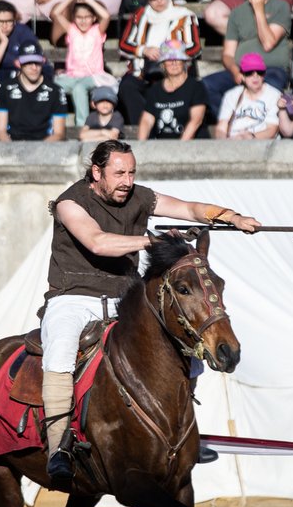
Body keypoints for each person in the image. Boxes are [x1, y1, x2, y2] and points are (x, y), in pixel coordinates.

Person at [40, 139, 262, 480]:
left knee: (184, 349)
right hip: (73, 299)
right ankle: (58, 448)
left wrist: (231, 216)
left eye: (131, 172)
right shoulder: (70, 203)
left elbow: (189, 209)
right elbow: (98, 242)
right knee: (60, 353)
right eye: (119, 173)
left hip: (123, 300)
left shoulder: (139, 196)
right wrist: (151, 240)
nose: (127, 181)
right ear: (96, 172)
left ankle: (183, 435)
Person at [203, 0, 292, 123]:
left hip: (270, 70)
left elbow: (268, 43)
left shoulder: (281, 7)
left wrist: (259, 8)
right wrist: (235, 71)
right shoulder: (237, 14)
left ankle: (258, 127)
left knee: (268, 88)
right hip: (243, 71)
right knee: (206, 85)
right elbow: (228, 54)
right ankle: (233, 125)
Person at [117, 0, 201, 125]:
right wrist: (143, 50)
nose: (159, 0)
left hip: (174, 69)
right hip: (143, 70)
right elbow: (124, 44)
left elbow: (194, 47)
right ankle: (142, 127)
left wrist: (169, 53)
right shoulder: (140, 15)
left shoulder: (184, 16)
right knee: (127, 86)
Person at [0, 0, 46, 124]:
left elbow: (34, 62)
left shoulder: (23, 32)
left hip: (21, 82)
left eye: (9, 21)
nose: (5, 26)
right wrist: (3, 42)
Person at [50, 0, 113, 128]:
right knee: (50, 86)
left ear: (94, 18)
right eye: (79, 17)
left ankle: (82, 127)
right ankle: (48, 125)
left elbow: (106, 16)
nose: (83, 21)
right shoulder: (72, 30)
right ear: (74, 18)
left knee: (79, 88)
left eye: (87, 17)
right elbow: (56, 13)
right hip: (72, 76)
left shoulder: (97, 31)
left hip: (92, 76)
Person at [137, 39, 208, 140]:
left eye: (178, 58)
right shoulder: (154, 90)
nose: (174, 62)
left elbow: (196, 120)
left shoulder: (196, 86)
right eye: (169, 59)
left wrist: (179, 149)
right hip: (161, 148)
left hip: (192, 148)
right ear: (163, 64)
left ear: (184, 62)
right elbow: (146, 121)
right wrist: (141, 146)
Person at [0, 49, 67, 141]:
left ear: (43, 62)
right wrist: (12, 150)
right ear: (18, 64)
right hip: (13, 145)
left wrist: (38, 151)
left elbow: (59, 133)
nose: (34, 67)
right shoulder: (4, 88)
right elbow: (1, 131)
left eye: (37, 63)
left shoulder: (56, 91)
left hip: (45, 147)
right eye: (28, 63)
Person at [215, 52, 281, 139]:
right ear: (242, 75)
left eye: (259, 72)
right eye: (249, 73)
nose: (255, 76)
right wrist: (225, 143)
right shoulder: (231, 95)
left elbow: (272, 130)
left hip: (261, 143)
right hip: (233, 142)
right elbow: (221, 128)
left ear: (264, 75)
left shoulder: (274, 95)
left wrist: (250, 137)